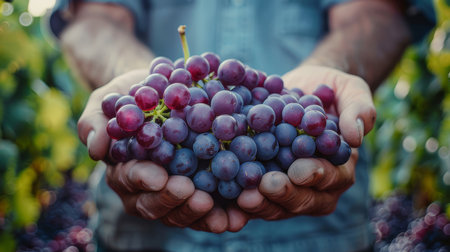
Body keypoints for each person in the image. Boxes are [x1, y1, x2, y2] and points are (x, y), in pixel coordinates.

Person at [50, 0, 435, 251]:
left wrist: (337, 69)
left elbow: (376, 12)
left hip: (320, 237)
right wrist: (138, 82)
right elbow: (94, 18)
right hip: (141, 236)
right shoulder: (165, 120)